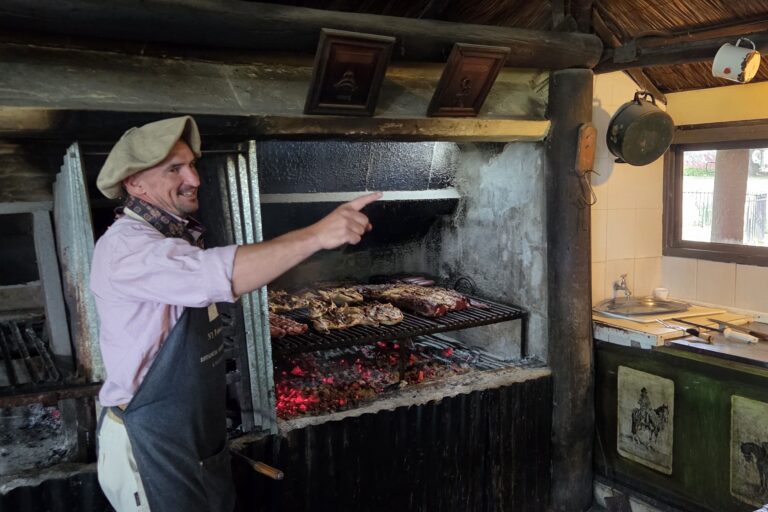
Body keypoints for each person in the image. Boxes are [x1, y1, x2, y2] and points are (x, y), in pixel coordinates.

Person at [90, 116, 380, 512]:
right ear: (134, 183)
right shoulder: (128, 248)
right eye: (174, 169)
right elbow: (216, 274)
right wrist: (318, 234)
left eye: (192, 164)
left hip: (194, 435)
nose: (194, 178)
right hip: (151, 443)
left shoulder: (171, 239)